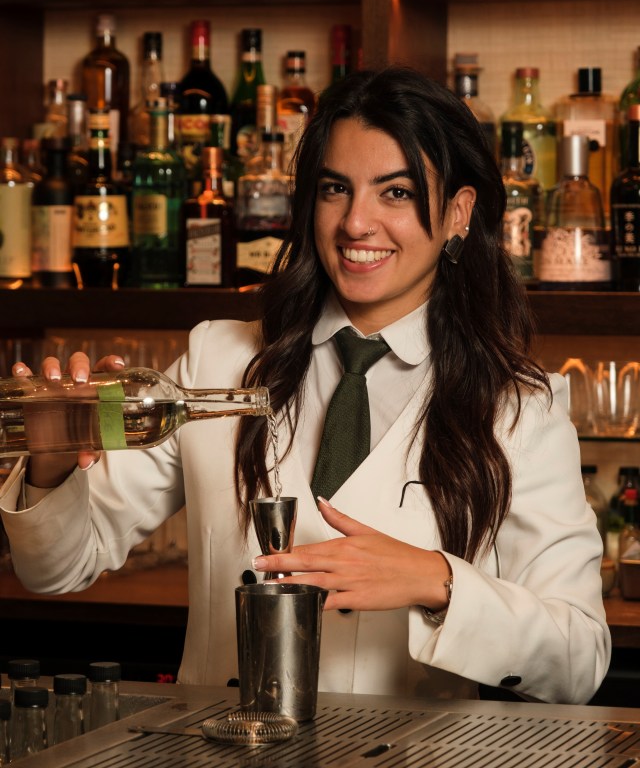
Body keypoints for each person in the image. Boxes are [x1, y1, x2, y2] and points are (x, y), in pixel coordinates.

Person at [0, 66, 609, 704]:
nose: (356, 223)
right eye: (335, 189)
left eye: (396, 193)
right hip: (213, 746)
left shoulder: (518, 408)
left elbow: (579, 658)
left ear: (458, 212)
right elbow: (57, 568)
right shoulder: (218, 361)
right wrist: (50, 464)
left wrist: (438, 581)